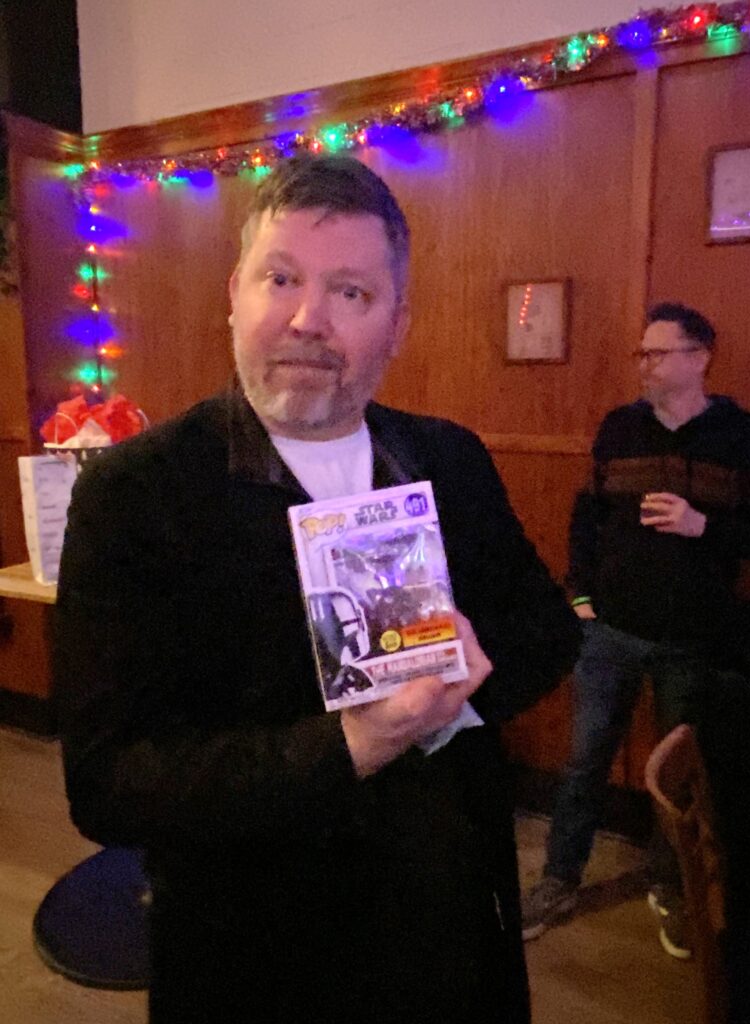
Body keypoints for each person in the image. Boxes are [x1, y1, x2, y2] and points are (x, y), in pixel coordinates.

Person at [53, 155, 581, 1024]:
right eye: (281, 279)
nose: (308, 319)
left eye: (350, 292)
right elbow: (109, 782)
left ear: (396, 324)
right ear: (234, 294)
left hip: (447, 925)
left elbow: (547, 631)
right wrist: (354, 742)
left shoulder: (448, 458)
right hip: (252, 956)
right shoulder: (135, 493)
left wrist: (462, 686)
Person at [520, 302, 750, 958]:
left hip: (692, 637)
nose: (644, 365)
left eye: (658, 353)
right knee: (584, 762)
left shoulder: (743, 437)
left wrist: (704, 526)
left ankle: (672, 887)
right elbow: (585, 518)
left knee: (676, 779)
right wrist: (579, 595)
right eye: (641, 353)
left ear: (699, 358)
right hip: (609, 630)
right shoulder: (619, 428)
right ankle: (559, 880)